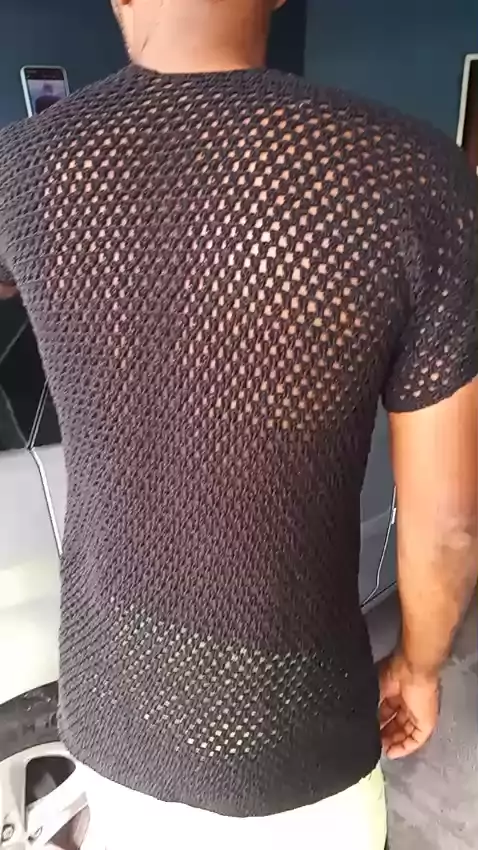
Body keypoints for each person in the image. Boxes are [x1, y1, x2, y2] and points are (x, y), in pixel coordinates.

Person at [0, 1, 476, 847]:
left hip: (113, 714)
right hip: (298, 749)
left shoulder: (23, 167)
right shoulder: (409, 174)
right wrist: (419, 664)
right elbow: (448, 528)